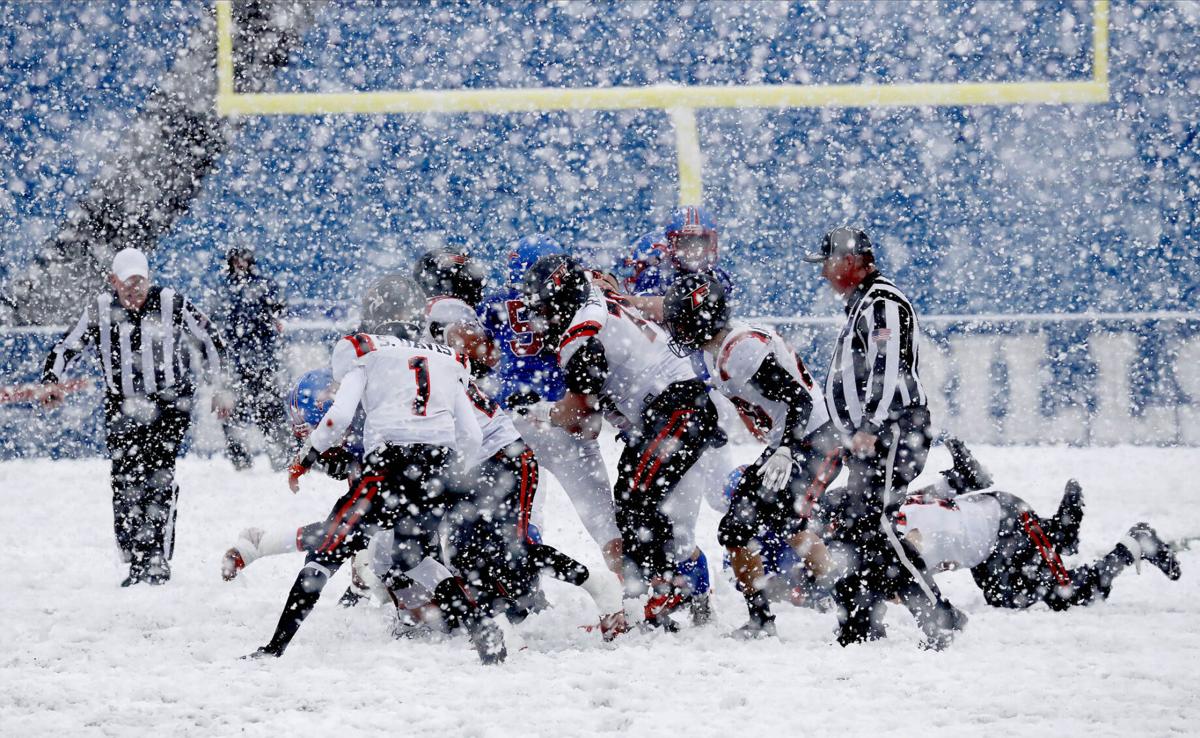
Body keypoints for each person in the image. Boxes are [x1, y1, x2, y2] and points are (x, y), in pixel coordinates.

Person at [251, 275, 506, 663]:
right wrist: (450, 470)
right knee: (414, 558)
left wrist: (304, 460)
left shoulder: (363, 348)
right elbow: (469, 433)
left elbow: (338, 418)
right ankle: (480, 628)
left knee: (326, 554)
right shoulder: (447, 356)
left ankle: (275, 647)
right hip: (437, 466)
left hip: (388, 465)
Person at [521, 254, 722, 628]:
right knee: (647, 505)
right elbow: (608, 281)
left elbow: (585, 422)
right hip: (677, 407)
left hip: (672, 411)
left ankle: (660, 593)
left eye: (544, 309)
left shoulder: (579, 336)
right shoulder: (599, 295)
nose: (540, 321)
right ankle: (675, 596)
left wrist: (542, 412)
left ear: (560, 300)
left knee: (636, 504)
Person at [805, 226, 965, 649]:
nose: (823, 273)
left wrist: (869, 427)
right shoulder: (865, 302)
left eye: (827, 263)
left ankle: (937, 613)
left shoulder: (882, 302)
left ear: (851, 262)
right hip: (876, 433)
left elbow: (888, 369)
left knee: (872, 524)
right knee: (861, 529)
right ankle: (860, 622)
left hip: (891, 431)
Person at [662, 272, 843, 638]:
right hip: (802, 441)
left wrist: (786, 449)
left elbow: (798, 399)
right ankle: (839, 598)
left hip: (812, 442)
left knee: (740, 526)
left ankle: (797, 612)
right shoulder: (729, 344)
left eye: (681, 318)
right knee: (783, 528)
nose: (677, 329)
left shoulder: (738, 350)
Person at [41, 247, 231, 586]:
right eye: (127, 283)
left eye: (140, 282)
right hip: (122, 405)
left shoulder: (170, 301)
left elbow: (210, 338)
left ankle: (156, 555)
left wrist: (219, 386)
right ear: (113, 281)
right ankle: (134, 556)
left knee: (159, 475)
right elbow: (65, 346)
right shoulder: (100, 309)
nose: (134, 290)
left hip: (168, 404)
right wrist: (51, 381)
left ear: (149, 280)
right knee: (125, 480)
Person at [891, 480, 1182, 610]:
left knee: (1066, 595)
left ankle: (1136, 544)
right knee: (1006, 599)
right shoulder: (889, 508)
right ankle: (1063, 530)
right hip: (986, 537)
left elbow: (906, 583)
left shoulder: (895, 535)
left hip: (1004, 526)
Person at [218, 246, 292, 470]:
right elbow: (219, 324)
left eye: (243, 259)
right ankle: (242, 462)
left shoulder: (262, 286)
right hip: (238, 364)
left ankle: (283, 460)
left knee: (270, 412)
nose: (240, 264)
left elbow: (278, 313)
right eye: (236, 260)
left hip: (261, 363)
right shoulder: (226, 289)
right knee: (233, 415)